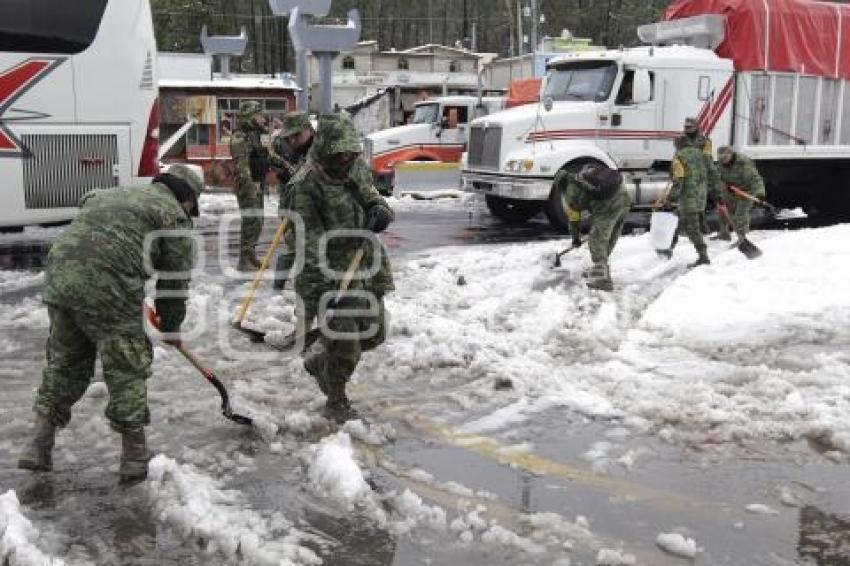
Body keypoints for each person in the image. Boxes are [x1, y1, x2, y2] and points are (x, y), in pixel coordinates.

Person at [18, 165, 203, 484]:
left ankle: (38, 445)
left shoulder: (110, 194)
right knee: (126, 367)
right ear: (186, 198)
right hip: (108, 286)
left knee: (65, 365)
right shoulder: (173, 216)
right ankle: (134, 456)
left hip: (60, 279)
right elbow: (173, 284)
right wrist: (171, 327)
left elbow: (94, 236)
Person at [289, 113, 394, 422]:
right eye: (341, 153)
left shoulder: (355, 167)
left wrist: (379, 210)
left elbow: (370, 195)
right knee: (346, 342)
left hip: (365, 262)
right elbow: (309, 243)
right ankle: (336, 400)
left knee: (374, 334)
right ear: (325, 148)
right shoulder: (306, 185)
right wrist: (322, 292)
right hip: (332, 272)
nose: (346, 158)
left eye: (351, 152)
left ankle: (321, 358)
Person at [552, 164, 631, 291]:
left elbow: (574, 218)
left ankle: (603, 279)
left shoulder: (571, 191)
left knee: (596, 239)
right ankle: (600, 268)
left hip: (608, 205)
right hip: (624, 197)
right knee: (610, 235)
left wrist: (575, 238)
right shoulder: (581, 176)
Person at [230, 100, 280, 271]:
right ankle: (244, 260)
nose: (262, 118)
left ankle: (250, 256)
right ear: (250, 116)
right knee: (251, 220)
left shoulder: (255, 134)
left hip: (258, 184)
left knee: (258, 221)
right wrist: (250, 186)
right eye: (258, 114)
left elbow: (263, 156)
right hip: (248, 186)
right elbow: (241, 165)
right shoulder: (240, 137)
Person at [271, 112, 315, 291]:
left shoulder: (322, 148)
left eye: (297, 135)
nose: (293, 141)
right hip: (291, 203)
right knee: (292, 245)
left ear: (308, 129)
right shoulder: (282, 145)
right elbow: (273, 160)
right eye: (290, 136)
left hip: (316, 206)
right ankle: (277, 289)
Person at [682, 117, 730, 240]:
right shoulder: (681, 140)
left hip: (700, 176)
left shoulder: (704, 141)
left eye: (690, 127)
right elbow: (677, 156)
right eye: (686, 127)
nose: (687, 130)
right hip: (686, 175)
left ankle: (702, 227)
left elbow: (707, 158)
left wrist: (712, 174)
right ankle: (687, 229)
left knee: (700, 202)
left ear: (696, 127)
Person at [667, 135, 710, 267]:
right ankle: (668, 248)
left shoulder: (679, 156)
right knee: (677, 221)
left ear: (678, 145)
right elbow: (708, 172)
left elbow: (679, 179)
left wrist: (671, 197)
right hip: (700, 195)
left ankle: (704, 257)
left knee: (692, 228)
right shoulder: (700, 154)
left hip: (688, 198)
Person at [717, 146, 765, 258]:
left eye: (725, 157)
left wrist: (760, 194)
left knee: (740, 215)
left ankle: (742, 238)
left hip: (746, 190)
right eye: (721, 158)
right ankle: (724, 233)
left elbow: (755, 179)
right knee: (722, 209)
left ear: (731, 154)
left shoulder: (743, 163)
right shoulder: (720, 163)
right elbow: (717, 177)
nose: (722, 160)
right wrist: (722, 188)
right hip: (731, 189)